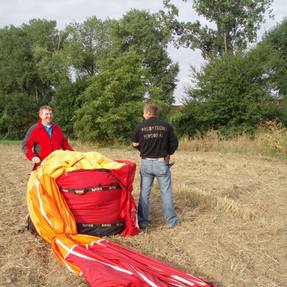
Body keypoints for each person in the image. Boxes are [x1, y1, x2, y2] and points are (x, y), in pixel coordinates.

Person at [132, 103, 179, 229]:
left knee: (144, 193)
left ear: (147, 113)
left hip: (146, 163)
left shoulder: (140, 127)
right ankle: (171, 222)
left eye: (143, 113)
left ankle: (143, 223)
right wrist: (168, 153)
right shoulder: (166, 126)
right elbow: (174, 144)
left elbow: (134, 144)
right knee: (166, 193)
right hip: (161, 163)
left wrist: (143, 149)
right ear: (156, 113)